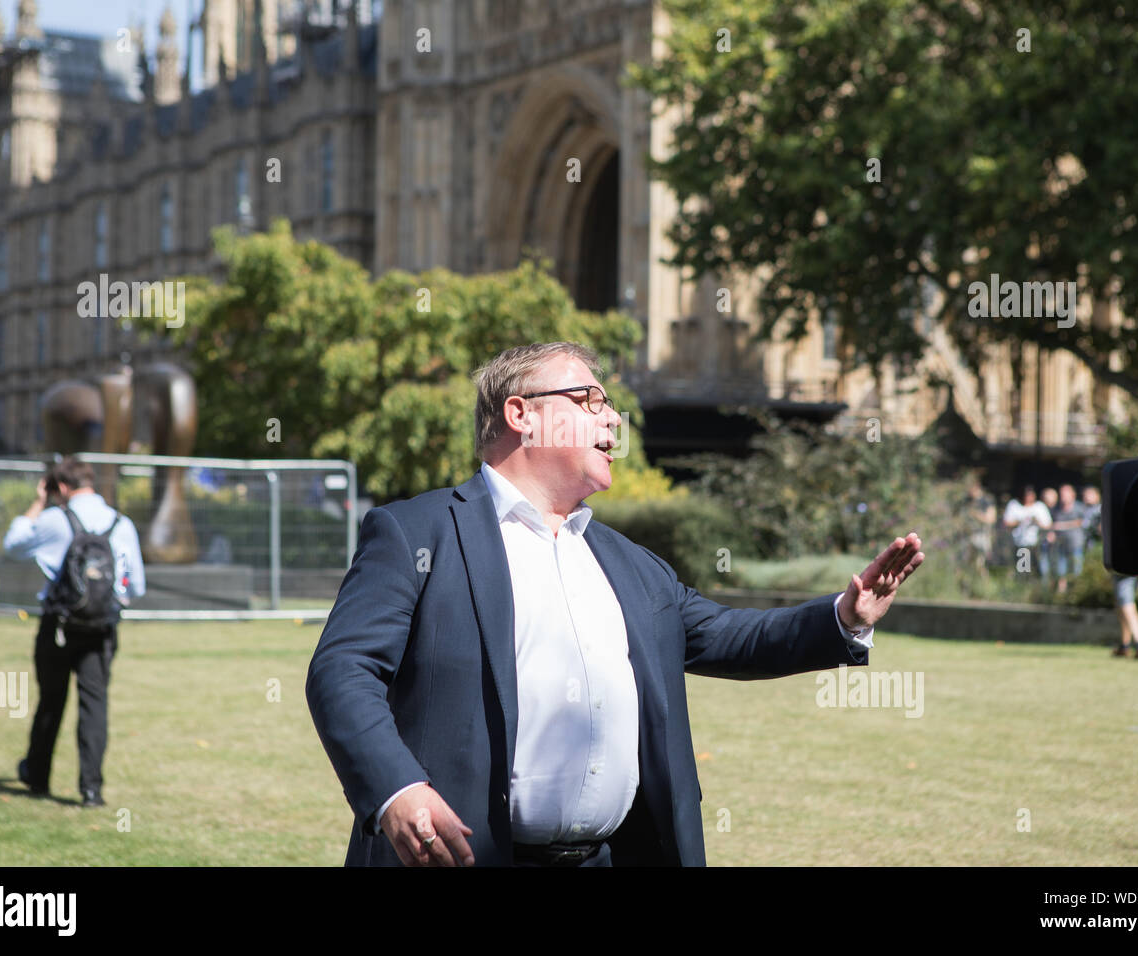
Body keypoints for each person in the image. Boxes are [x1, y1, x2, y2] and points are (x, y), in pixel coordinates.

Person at [306, 341, 924, 867]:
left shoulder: (629, 563)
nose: (613, 420)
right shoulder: (416, 534)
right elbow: (342, 671)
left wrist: (844, 617)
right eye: (591, 400)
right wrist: (397, 790)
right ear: (522, 414)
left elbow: (727, 635)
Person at [2, 457, 146, 806]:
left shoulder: (53, 519)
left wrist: (38, 502)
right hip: (101, 628)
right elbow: (135, 585)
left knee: (51, 701)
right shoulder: (120, 523)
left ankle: (37, 777)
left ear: (62, 487)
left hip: (59, 625)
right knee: (94, 705)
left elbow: (13, 544)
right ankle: (92, 790)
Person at [1002, 486, 1052, 579]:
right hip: (1022, 545)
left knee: (1039, 569)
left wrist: (1036, 521)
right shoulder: (1014, 505)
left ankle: (1040, 586)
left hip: (1037, 545)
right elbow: (1006, 523)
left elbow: (1048, 525)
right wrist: (1020, 521)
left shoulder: (1039, 507)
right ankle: (1025, 586)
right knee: (1023, 570)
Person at [1049, 484, 1086, 595]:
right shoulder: (1056, 508)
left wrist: (1062, 525)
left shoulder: (1079, 507)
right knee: (1061, 570)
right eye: (1061, 494)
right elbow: (1052, 524)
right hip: (1061, 544)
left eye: (1065, 493)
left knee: (1076, 569)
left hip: (1076, 543)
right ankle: (1062, 594)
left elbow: (1081, 522)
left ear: (1072, 495)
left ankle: (1077, 591)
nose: (1063, 496)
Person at [964, 478, 997, 575]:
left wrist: (976, 515)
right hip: (968, 536)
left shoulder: (986, 501)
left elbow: (991, 519)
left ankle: (985, 586)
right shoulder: (967, 501)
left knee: (979, 565)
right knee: (967, 565)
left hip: (982, 536)